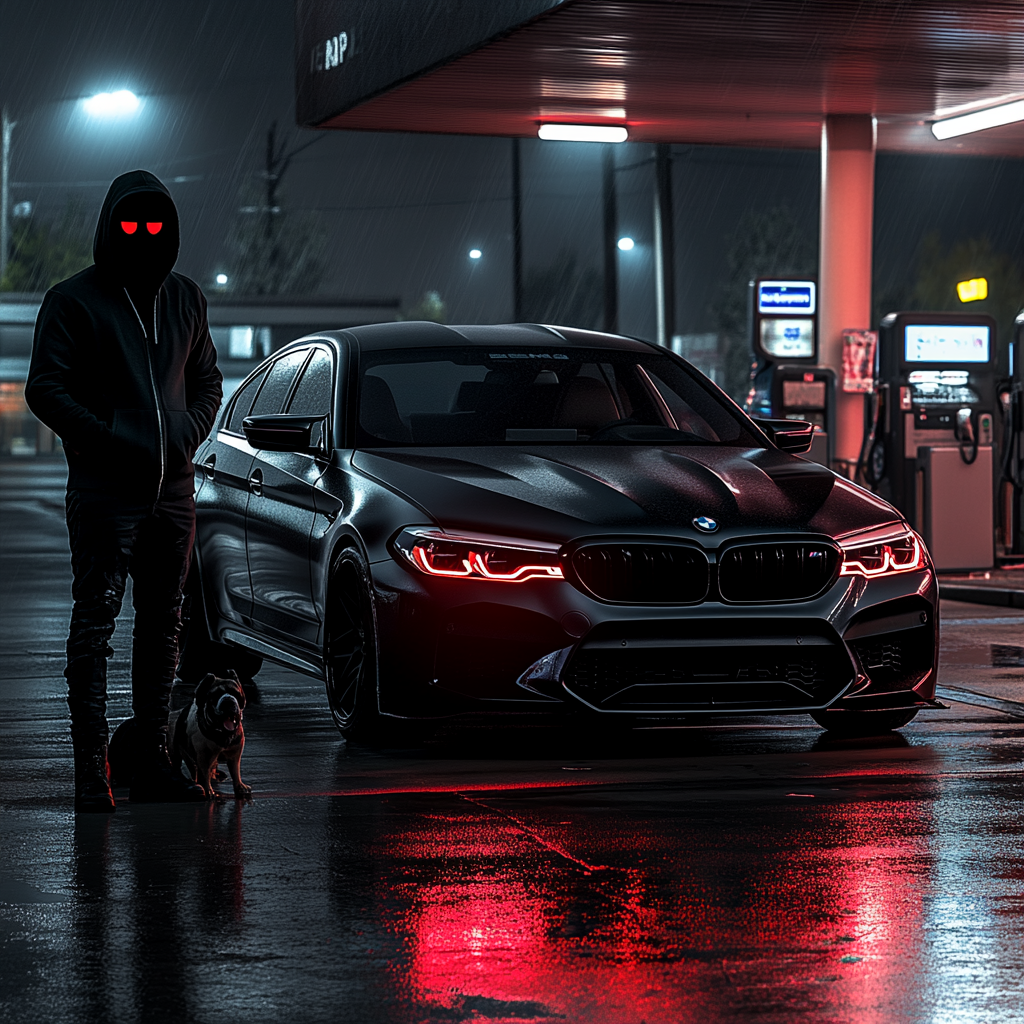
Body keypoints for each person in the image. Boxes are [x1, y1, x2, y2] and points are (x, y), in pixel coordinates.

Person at [26, 170, 223, 812]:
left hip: (173, 494)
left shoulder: (187, 299)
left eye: (155, 224)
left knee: (163, 629)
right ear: (110, 226)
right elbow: (45, 389)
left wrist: (185, 435)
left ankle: (152, 761)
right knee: (95, 628)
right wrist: (112, 441)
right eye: (131, 224)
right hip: (106, 497)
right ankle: (91, 771)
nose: (143, 236)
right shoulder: (73, 301)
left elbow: (208, 382)